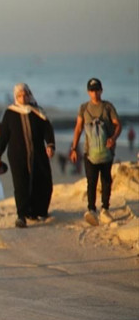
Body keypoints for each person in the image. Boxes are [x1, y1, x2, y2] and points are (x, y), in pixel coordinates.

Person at [0, 83, 55, 228]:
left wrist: (50, 145)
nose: (22, 98)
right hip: (17, 155)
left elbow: (48, 129)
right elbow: (4, 136)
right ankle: (21, 216)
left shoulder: (38, 112)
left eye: (25, 94)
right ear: (15, 97)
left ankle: (36, 211)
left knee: (43, 182)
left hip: (38, 154)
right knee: (20, 184)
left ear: (29, 95)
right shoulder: (10, 113)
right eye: (19, 95)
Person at [69, 78, 121, 226]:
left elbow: (118, 125)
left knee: (106, 180)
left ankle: (105, 208)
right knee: (91, 181)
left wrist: (113, 138)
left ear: (101, 91)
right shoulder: (84, 108)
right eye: (92, 90)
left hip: (107, 151)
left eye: (97, 90)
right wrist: (74, 148)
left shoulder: (108, 107)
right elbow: (78, 128)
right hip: (89, 152)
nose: (95, 93)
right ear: (88, 92)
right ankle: (91, 210)